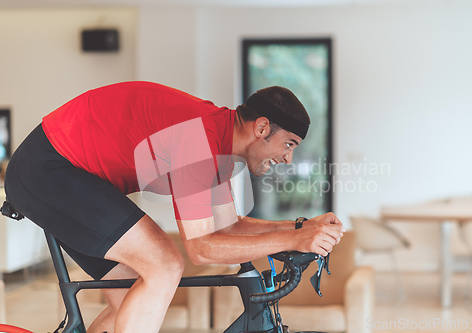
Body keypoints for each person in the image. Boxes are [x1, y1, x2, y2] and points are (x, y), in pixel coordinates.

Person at [4, 81, 344, 333]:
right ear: (262, 128)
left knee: (135, 295)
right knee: (164, 263)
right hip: (50, 169)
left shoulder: (220, 145)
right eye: (288, 144)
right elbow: (201, 247)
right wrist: (293, 241)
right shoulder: (199, 140)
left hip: (66, 175)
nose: (288, 158)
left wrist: (298, 229)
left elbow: (228, 227)